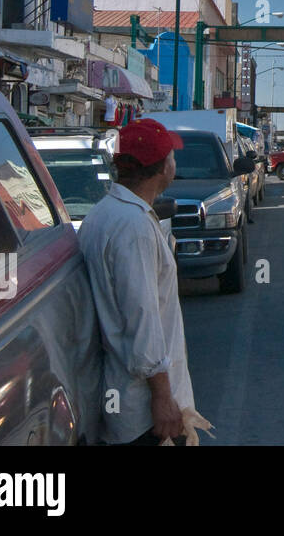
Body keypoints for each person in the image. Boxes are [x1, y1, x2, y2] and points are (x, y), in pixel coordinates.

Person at [78, 119, 195, 445]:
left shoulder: (105, 213)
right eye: (172, 156)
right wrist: (162, 397)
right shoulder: (133, 226)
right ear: (160, 168)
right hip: (144, 409)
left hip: (127, 398)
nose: (175, 162)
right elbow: (141, 315)